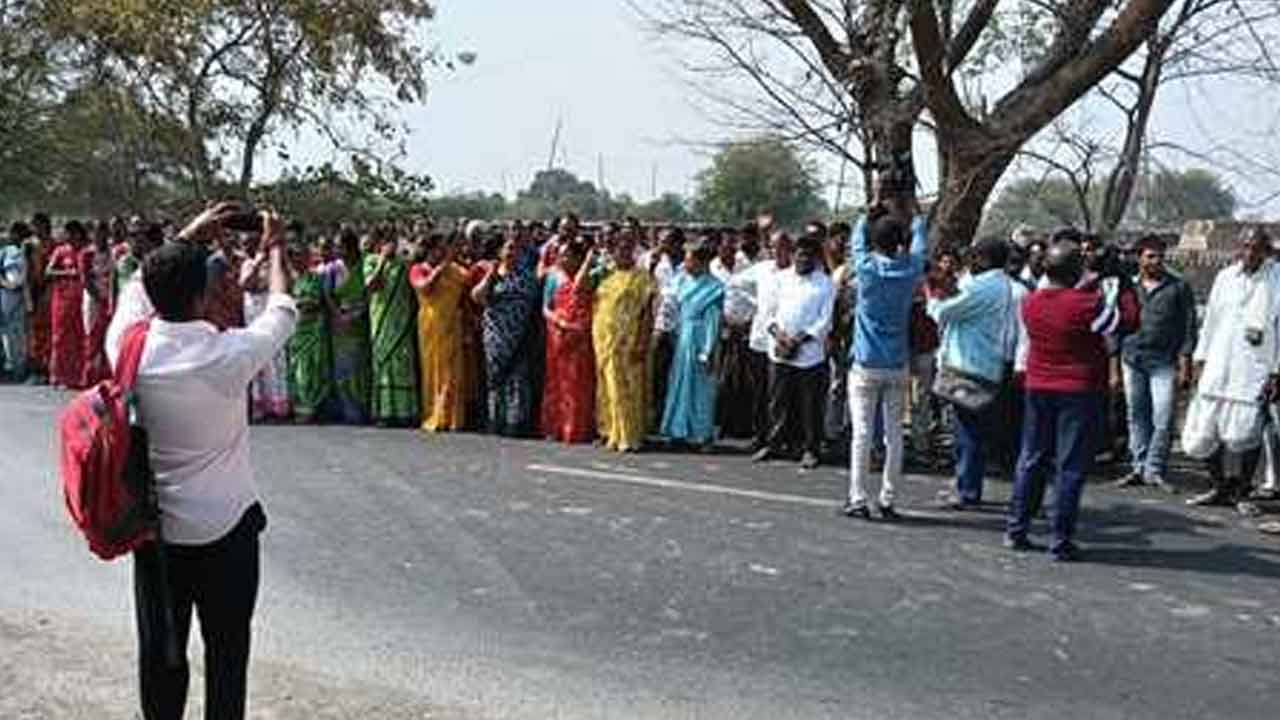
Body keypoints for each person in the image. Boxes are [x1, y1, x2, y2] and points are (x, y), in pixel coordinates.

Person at [106, 204, 296, 720]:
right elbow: (282, 309)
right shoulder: (228, 356)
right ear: (202, 297)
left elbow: (133, 294)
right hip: (226, 531)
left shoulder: (129, 348)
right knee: (228, 656)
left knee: (160, 656)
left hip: (156, 532)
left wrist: (186, 236)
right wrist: (275, 244)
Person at [1006, 241, 1125, 561]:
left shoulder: (1030, 302)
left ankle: (1017, 528)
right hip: (1078, 389)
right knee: (1070, 466)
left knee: (1031, 457)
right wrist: (1102, 283)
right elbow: (1115, 323)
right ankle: (1060, 539)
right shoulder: (1086, 303)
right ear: (1075, 270)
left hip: (1038, 384)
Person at [1182, 227, 1280, 514]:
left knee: (1245, 433)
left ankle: (1243, 492)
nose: (1250, 253)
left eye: (1257, 248)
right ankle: (1219, 486)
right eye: (1246, 247)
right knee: (1203, 432)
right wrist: (1200, 359)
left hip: (1254, 369)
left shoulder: (1276, 280)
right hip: (1217, 364)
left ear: (1267, 251)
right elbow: (1211, 320)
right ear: (1238, 248)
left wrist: (1277, 371)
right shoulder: (1224, 278)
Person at [842, 203, 928, 519]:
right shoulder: (910, 270)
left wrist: (867, 214)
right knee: (894, 435)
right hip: (896, 363)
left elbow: (856, 242)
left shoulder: (865, 268)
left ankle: (858, 497)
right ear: (900, 243)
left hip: (866, 363)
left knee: (862, 433)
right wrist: (917, 217)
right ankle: (888, 498)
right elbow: (920, 243)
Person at [927, 240, 1015, 510]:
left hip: (971, 366)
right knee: (968, 431)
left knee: (968, 433)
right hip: (981, 363)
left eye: (975, 257)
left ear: (986, 259)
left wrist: (932, 295)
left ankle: (967, 490)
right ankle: (965, 483)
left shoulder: (983, 286)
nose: (970, 261)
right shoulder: (996, 284)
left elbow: (944, 312)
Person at [1115, 235, 1197, 492]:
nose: (1156, 260)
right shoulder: (1128, 286)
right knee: (1136, 416)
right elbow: (1117, 326)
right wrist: (1114, 365)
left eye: (1160, 256)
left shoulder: (1178, 287)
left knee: (1162, 417)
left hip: (1163, 360)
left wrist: (1186, 365)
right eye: (1150, 256)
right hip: (1132, 357)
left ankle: (1155, 468)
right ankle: (1139, 467)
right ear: (1140, 258)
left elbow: (1188, 328)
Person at [754, 234, 835, 469]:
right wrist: (780, 336)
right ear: (793, 255)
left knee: (810, 405)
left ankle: (811, 449)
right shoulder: (781, 279)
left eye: (808, 255)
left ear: (816, 259)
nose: (802, 259)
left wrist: (798, 340)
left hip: (809, 353)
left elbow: (824, 321)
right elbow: (767, 312)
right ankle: (774, 444)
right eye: (799, 254)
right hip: (779, 349)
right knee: (777, 401)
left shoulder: (824, 283)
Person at [592, 228, 655, 452]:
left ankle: (630, 436)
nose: (623, 254)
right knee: (609, 387)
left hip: (629, 342)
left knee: (630, 389)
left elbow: (647, 313)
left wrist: (642, 341)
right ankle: (612, 432)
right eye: (619, 250)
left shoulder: (643, 277)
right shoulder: (605, 277)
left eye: (628, 250)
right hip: (605, 342)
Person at [660, 238, 725, 450]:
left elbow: (713, 322)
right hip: (682, 338)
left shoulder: (715, 288)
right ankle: (677, 430)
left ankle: (701, 434)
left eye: (689, 261)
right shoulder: (682, 281)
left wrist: (708, 350)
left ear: (702, 262)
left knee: (701, 387)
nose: (685, 265)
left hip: (701, 339)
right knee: (679, 385)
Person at [472, 236, 541, 436]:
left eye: (515, 249)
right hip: (495, 337)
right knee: (495, 379)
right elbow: (477, 297)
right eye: (508, 249)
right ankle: (496, 420)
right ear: (500, 252)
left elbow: (535, 304)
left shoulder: (527, 276)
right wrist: (490, 275)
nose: (511, 253)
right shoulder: (492, 275)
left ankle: (516, 423)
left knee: (518, 380)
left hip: (519, 336)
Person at [410, 232, 470, 432]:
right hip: (431, 326)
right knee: (434, 370)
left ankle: (453, 418)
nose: (443, 251)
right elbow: (424, 288)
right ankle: (435, 414)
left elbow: (466, 292)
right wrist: (441, 268)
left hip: (453, 324)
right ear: (429, 249)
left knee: (453, 372)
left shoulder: (455, 270)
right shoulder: (419, 269)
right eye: (439, 248)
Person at [541, 239, 598, 443]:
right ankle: (556, 426)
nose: (562, 259)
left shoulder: (590, 277)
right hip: (558, 334)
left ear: (578, 258)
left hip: (580, 335)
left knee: (579, 383)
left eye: (567, 255)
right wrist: (558, 320)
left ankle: (578, 428)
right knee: (557, 381)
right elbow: (545, 307)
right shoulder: (553, 277)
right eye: (560, 254)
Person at [365, 231, 421, 427]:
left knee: (402, 363)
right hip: (380, 321)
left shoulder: (404, 264)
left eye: (393, 242)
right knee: (383, 363)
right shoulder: (371, 261)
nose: (391, 246)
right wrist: (382, 260)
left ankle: (406, 411)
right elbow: (371, 285)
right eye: (387, 242)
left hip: (401, 322)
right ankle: (384, 412)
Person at [747, 230, 793, 451]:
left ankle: (782, 438)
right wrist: (751, 306)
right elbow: (734, 284)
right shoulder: (761, 269)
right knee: (759, 392)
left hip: (786, 343)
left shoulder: (796, 272)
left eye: (783, 246)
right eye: (774, 246)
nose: (778, 251)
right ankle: (760, 436)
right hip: (760, 339)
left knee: (781, 395)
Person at [324, 229, 372, 424]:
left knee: (360, 368)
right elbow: (328, 295)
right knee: (342, 369)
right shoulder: (332, 269)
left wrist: (356, 314)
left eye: (340, 246)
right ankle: (347, 410)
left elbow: (370, 293)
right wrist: (339, 315)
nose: (336, 250)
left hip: (361, 321)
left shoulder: (365, 265)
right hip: (340, 324)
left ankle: (363, 410)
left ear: (350, 247)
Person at [241, 237, 292, 422]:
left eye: (249, 242)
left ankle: (279, 407)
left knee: (275, 361)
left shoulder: (273, 265)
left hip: (269, 313)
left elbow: (285, 283)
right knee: (256, 362)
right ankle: (259, 406)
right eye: (244, 244)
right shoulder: (248, 263)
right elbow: (246, 283)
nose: (245, 246)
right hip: (252, 316)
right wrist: (257, 262)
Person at [286, 238, 333, 424]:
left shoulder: (315, 278)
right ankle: (298, 406)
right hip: (294, 330)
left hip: (312, 329)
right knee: (296, 369)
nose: (296, 260)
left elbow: (317, 301)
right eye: (293, 257)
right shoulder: (289, 279)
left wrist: (299, 303)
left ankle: (311, 408)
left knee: (311, 368)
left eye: (300, 256)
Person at [647, 227, 685, 429]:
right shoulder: (655, 263)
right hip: (660, 326)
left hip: (682, 327)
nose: (662, 245)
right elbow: (648, 291)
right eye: (660, 241)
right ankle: (657, 418)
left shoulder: (689, 264)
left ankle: (674, 420)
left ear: (679, 244)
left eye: (667, 241)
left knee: (677, 376)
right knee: (657, 374)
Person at [46, 220, 88, 389]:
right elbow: (48, 271)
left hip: (81, 300)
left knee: (80, 338)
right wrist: (68, 273)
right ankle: (59, 376)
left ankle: (79, 377)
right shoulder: (61, 251)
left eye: (73, 233)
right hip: (62, 300)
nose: (70, 237)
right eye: (67, 233)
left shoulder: (86, 251)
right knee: (61, 338)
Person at [80, 223, 115, 387]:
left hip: (109, 298)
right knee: (92, 335)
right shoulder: (87, 254)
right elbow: (85, 279)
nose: (101, 237)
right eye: (97, 233)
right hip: (93, 299)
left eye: (104, 233)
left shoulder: (112, 252)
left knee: (108, 336)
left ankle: (105, 374)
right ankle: (90, 376)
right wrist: (99, 298)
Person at [25, 212, 53, 383]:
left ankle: (48, 368)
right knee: (35, 332)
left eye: (37, 224)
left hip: (48, 289)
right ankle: (36, 370)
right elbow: (27, 270)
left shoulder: (54, 243)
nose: (35, 228)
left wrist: (48, 290)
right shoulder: (29, 245)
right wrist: (28, 295)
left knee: (49, 331)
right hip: (34, 289)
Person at [1, 222, 29, 382]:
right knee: (8, 331)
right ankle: (11, 368)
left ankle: (20, 368)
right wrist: (7, 285)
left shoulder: (26, 250)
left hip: (22, 295)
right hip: (7, 294)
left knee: (20, 332)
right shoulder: (5, 252)